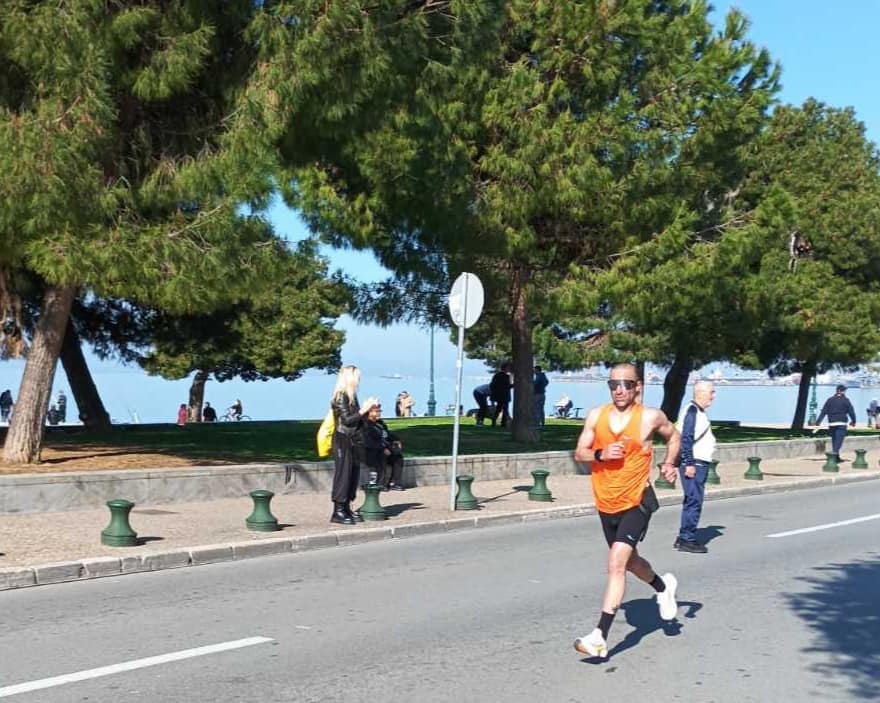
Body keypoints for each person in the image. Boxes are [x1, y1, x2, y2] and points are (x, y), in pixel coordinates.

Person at [572, 363, 681, 659]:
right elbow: (580, 452)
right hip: (606, 502)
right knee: (631, 562)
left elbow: (674, 436)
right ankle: (663, 587)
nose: (619, 390)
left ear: (637, 387)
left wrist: (669, 463)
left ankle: (599, 636)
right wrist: (600, 453)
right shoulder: (597, 415)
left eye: (626, 384)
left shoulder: (649, 417)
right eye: (614, 384)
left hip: (636, 501)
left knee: (616, 564)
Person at [329, 365, 378, 525]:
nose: (359, 380)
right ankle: (338, 510)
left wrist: (367, 410)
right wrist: (363, 410)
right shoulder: (341, 396)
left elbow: (357, 420)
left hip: (353, 440)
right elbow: (347, 420)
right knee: (343, 475)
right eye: (357, 377)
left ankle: (346, 507)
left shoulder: (351, 396)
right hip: (343, 440)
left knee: (352, 474)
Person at [674, 381, 716, 554]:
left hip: (698, 462)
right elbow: (686, 438)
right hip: (695, 463)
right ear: (700, 393)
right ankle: (687, 539)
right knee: (694, 501)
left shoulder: (697, 411)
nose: (713, 396)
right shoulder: (692, 411)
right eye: (711, 392)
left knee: (692, 500)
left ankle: (684, 536)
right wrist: (689, 463)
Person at [361, 403, 406, 491]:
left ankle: (396, 483)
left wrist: (397, 440)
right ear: (369, 413)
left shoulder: (380, 423)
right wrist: (382, 448)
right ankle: (381, 484)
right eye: (376, 411)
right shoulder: (365, 425)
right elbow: (368, 442)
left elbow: (387, 434)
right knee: (382, 456)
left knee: (398, 457)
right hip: (371, 452)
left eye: (379, 411)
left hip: (384, 449)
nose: (379, 413)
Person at [813, 385, 856, 461]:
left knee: (834, 440)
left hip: (832, 423)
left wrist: (818, 421)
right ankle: (833, 455)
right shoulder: (846, 400)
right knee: (839, 441)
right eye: (844, 391)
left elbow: (824, 411)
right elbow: (851, 412)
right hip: (841, 423)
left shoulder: (830, 400)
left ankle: (836, 456)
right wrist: (853, 421)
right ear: (840, 391)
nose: (845, 392)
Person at [489, 363, 513, 428]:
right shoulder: (505, 376)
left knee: (499, 408)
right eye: (508, 368)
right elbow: (507, 386)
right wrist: (513, 385)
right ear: (505, 368)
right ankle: (502, 423)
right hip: (504, 395)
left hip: (499, 395)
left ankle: (496, 421)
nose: (509, 369)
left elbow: (492, 385)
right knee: (504, 409)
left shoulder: (496, 375)